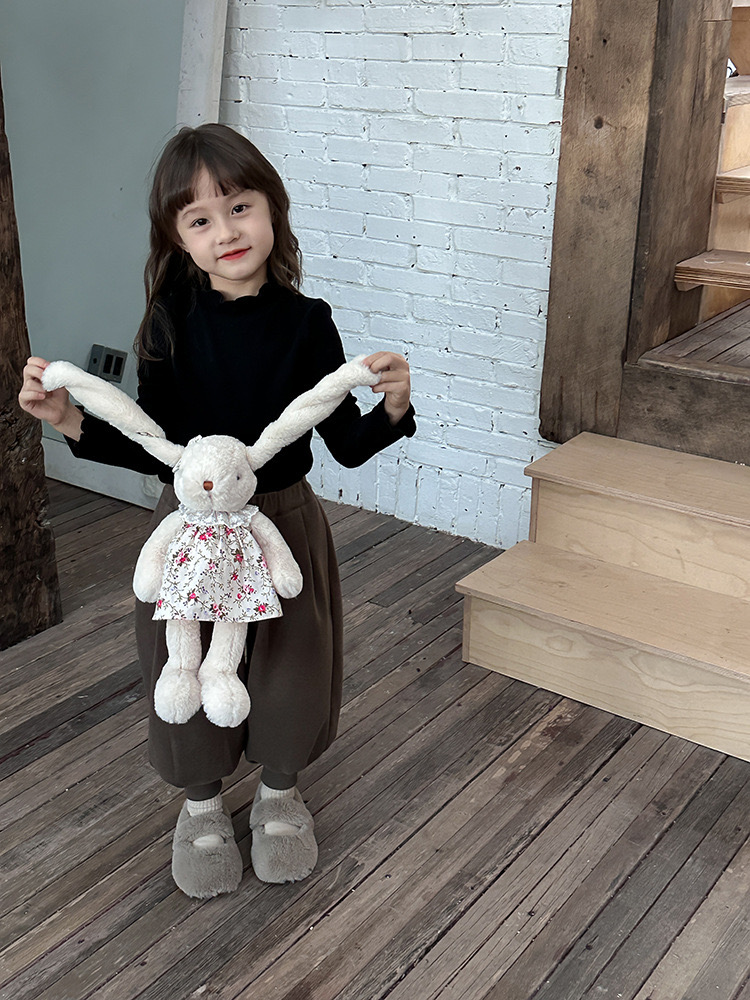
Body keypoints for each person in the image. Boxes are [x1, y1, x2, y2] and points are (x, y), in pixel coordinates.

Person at [19, 123, 415, 898]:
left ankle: (279, 795)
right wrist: (67, 419)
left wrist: (394, 408)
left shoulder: (308, 323)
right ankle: (201, 806)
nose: (226, 231)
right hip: (189, 530)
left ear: (272, 210)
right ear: (178, 237)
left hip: (283, 525)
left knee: (292, 673)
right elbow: (153, 445)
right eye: (200, 219)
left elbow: (346, 445)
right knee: (186, 667)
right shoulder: (169, 319)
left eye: (239, 207)